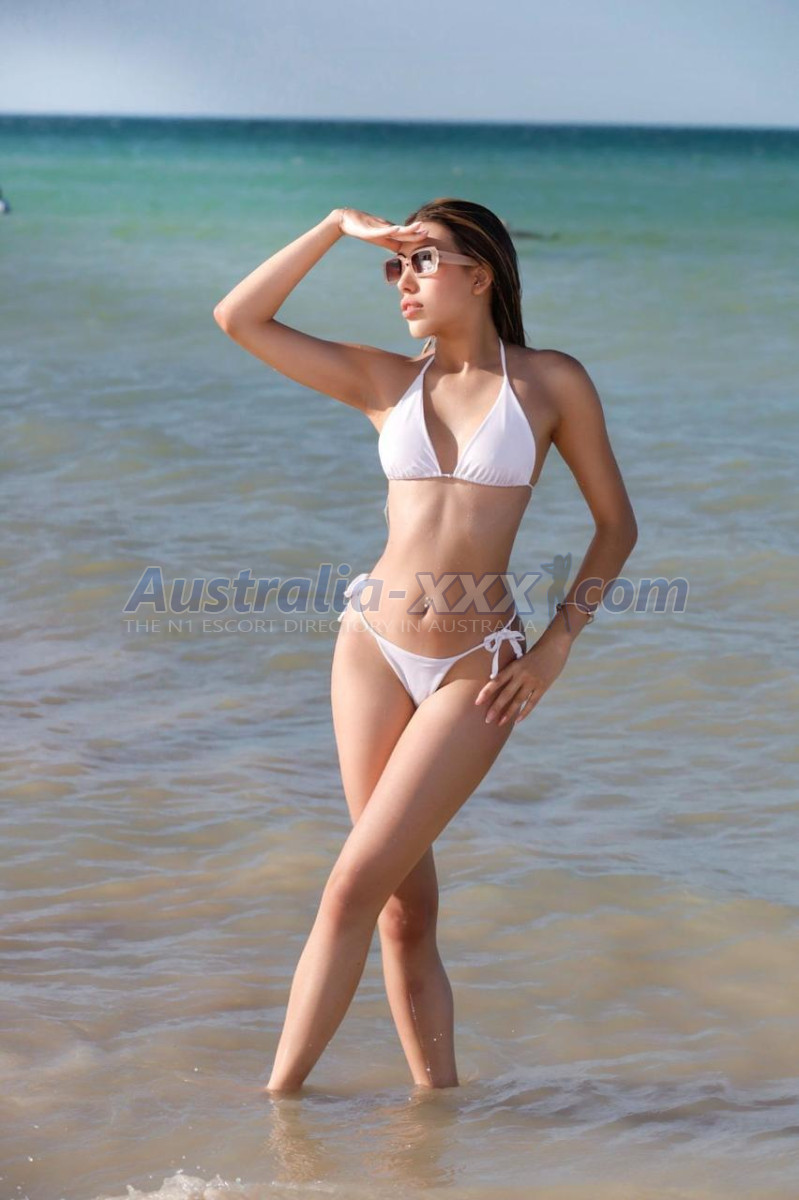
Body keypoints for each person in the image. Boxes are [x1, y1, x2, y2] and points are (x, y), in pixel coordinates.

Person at [213, 199, 638, 1094]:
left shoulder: (549, 384)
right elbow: (238, 317)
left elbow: (614, 527)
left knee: (351, 886)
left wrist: (555, 646)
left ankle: (276, 1109)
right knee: (401, 910)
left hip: (476, 669)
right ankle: (435, 1118)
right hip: (370, 648)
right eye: (394, 265)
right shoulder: (384, 381)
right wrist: (336, 228)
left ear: (479, 275)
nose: (402, 280)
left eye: (421, 260)